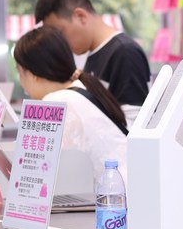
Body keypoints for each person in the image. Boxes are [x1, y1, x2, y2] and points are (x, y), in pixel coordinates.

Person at [13, 26, 128, 184]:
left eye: (20, 72)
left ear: (32, 74)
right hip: (129, 188)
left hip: (115, 194)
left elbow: (49, 173)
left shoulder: (55, 102)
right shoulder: (84, 88)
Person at [35, 0, 151, 126]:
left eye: (60, 32)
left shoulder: (124, 52)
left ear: (80, 16)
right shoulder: (94, 54)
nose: (59, 42)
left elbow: (135, 122)